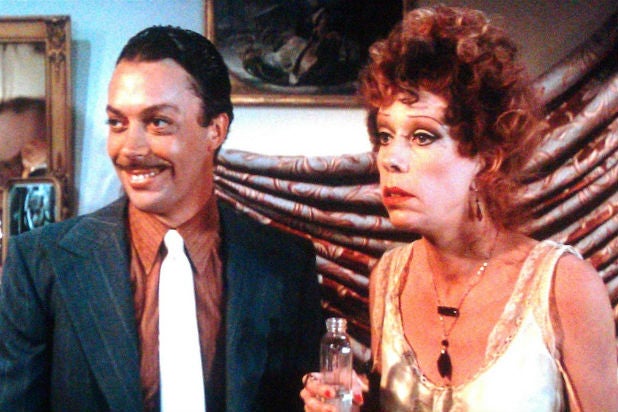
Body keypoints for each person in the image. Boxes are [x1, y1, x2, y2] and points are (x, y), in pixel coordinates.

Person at [301, 6, 617, 411]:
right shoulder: (389, 278)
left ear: (487, 155)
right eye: (384, 135)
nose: (390, 158)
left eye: (422, 136)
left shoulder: (564, 286)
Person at [0, 26, 323, 411]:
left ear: (215, 130)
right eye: (117, 123)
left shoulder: (286, 264)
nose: (130, 149)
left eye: (158, 122)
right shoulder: (39, 264)